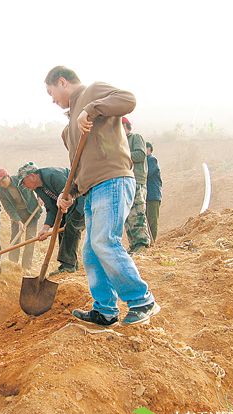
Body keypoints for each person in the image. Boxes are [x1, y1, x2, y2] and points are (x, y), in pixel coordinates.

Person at [45, 65, 159, 326]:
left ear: (62, 82)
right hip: (92, 189)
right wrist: (68, 193)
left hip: (113, 179)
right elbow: (77, 165)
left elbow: (128, 100)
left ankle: (142, 300)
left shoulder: (93, 92)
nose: (52, 100)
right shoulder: (68, 130)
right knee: (91, 253)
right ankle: (105, 310)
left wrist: (91, 109)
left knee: (104, 242)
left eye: (52, 92)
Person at [17, 162, 85, 276]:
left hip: (80, 202)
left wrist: (66, 220)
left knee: (70, 227)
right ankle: (69, 264)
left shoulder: (53, 175)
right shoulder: (38, 189)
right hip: (66, 208)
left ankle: (68, 266)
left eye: (24, 182)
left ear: (32, 176)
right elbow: (51, 208)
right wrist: (45, 228)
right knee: (62, 229)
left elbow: (70, 196)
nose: (24, 186)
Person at [0, 168, 42, 275]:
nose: (1, 184)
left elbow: (37, 185)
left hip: (31, 212)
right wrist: (18, 221)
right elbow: (8, 207)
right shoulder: (0, 191)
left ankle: (26, 267)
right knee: (15, 239)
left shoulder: (21, 179)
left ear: (8, 177)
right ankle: (12, 263)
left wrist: (40, 197)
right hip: (17, 215)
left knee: (30, 239)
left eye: (2, 181)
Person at [122, 117, 151, 254]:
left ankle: (142, 243)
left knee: (137, 212)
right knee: (128, 215)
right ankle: (134, 244)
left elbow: (140, 154)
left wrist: (121, 154)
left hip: (137, 180)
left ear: (126, 126)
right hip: (125, 181)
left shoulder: (135, 138)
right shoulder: (119, 142)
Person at [146, 142, 162, 242]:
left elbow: (147, 173)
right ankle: (149, 242)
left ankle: (152, 242)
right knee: (147, 220)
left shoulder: (151, 160)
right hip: (147, 196)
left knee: (152, 221)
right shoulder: (146, 161)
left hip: (153, 195)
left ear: (150, 149)